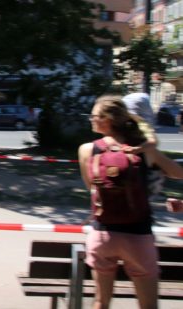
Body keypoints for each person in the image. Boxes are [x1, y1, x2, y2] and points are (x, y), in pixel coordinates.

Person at [78, 95, 183, 309]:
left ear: (106, 120)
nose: (90, 119)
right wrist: (151, 149)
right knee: (148, 305)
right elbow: (178, 173)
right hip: (138, 236)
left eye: (94, 115)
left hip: (102, 235)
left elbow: (92, 188)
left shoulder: (87, 150)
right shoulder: (143, 150)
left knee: (100, 302)